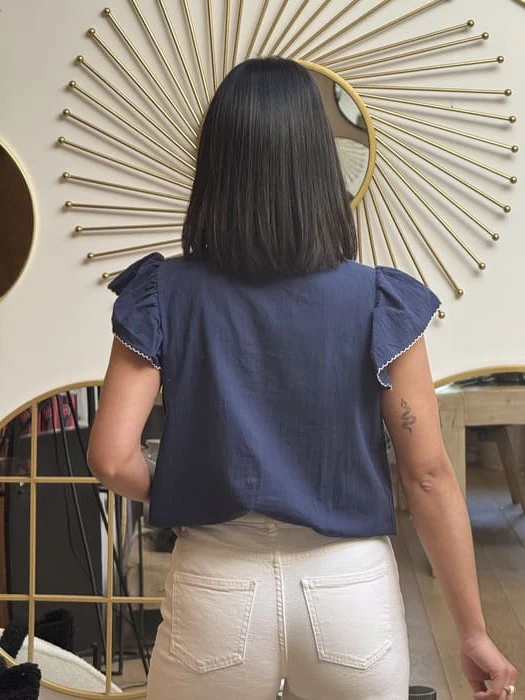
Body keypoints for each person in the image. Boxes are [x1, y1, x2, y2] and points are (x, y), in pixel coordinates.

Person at [87, 58, 518, 700]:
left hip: (216, 586)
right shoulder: (378, 301)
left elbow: (110, 458)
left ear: (215, 166)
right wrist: (474, 632)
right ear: (318, 164)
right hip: (350, 592)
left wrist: (191, 490)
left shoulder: (163, 293)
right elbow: (427, 475)